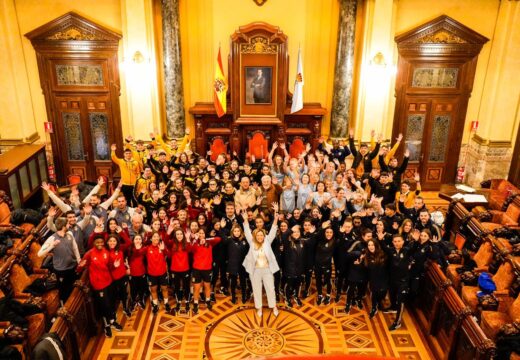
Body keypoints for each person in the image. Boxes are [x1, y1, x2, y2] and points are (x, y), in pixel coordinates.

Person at [77, 234, 123, 337]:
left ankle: (112, 321)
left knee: (111, 303)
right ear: (93, 243)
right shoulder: (89, 254)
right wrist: (80, 266)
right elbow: (79, 268)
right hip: (98, 285)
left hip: (109, 281)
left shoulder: (106, 252)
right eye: (98, 242)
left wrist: (114, 266)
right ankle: (106, 325)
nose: (100, 244)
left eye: (102, 242)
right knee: (104, 305)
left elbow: (110, 266)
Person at [241, 203, 280, 318]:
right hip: (255, 270)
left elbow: (273, 229)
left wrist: (276, 216)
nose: (259, 237)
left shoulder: (268, 240)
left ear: (263, 235)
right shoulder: (252, 242)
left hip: (267, 269)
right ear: (255, 237)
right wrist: (245, 220)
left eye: (261, 235)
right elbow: (247, 231)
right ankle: (259, 307)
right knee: (256, 289)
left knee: (270, 288)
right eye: (257, 236)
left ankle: (274, 306)